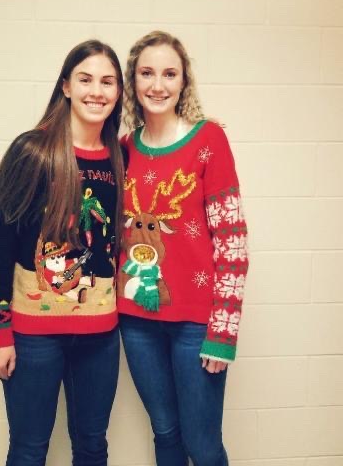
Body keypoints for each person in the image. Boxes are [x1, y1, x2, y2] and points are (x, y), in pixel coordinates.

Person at [0, 39, 125, 466]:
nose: (96, 91)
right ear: (65, 86)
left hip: (100, 335)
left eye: (107, 81)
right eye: (85, 79)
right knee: (29, 449)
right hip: (33, 336)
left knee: (92, 445)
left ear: (119, 92)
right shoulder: (32, 151)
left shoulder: (121, 155)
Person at [117, 31, 249, 466]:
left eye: (169, 73)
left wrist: (223, 332)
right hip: (137, 320)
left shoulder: (209, 139)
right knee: (166, 433)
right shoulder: (122, 151)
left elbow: (232, 242)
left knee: (202, 444)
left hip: (196, 323)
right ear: (133, 82)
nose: (158, 85)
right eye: (147, 73)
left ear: (183, 82)